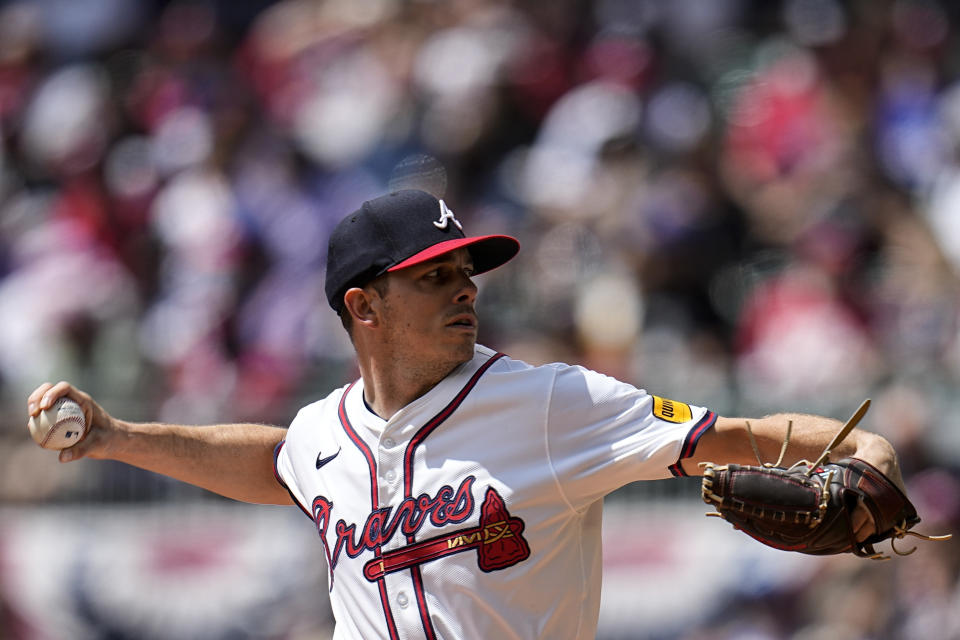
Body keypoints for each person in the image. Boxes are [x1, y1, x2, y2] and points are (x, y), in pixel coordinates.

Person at [28, 189, 902, 640]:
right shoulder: (323, 436)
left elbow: (736, 436)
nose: (465, 290)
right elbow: (275, 461)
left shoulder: (555, 403)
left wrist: (865, 441)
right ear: (364, 307)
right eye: (434, 276)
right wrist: (118, 437)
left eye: (465, 273)